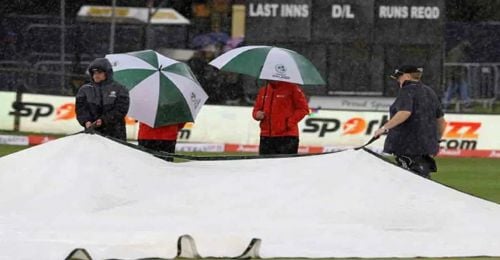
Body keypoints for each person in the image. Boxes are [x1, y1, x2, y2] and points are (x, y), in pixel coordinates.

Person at [373, 65, 446, 179]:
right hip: (425, 147)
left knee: (408, 180)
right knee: (422, 178)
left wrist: (384, 128)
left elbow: (404, 113)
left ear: (407, 76)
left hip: (407, 145)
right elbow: (441, 121)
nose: (398, 80)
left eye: (399, 77)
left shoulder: (407, 91)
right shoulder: (429, 92)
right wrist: (436, 140)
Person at [75, 58, 130, 140]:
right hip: (92, 134)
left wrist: (103, 120)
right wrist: (86, 121)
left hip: (115, 134)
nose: (96, 75)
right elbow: (80, 109)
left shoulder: (120, 89)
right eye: (94, 72)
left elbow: (121, 110)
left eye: (99, 72)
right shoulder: (84, 90)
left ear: (107, 73)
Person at [252, 80, 309, 155]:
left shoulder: (292, 88)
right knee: (265, 165)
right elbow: (256, 110)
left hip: (287, 137)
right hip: (266, 136)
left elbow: (303, 109)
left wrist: (289, 122)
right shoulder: (263, 90)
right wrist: (257, 114)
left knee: (285, 165)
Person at [442, 41, 472, 110]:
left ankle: (446, 104)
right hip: (456, 75)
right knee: (459, 87)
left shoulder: (457, 51)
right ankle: (465, 103)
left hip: (456, 74)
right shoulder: (458, 53)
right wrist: (454, 75)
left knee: (453, 89)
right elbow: (454, 65)